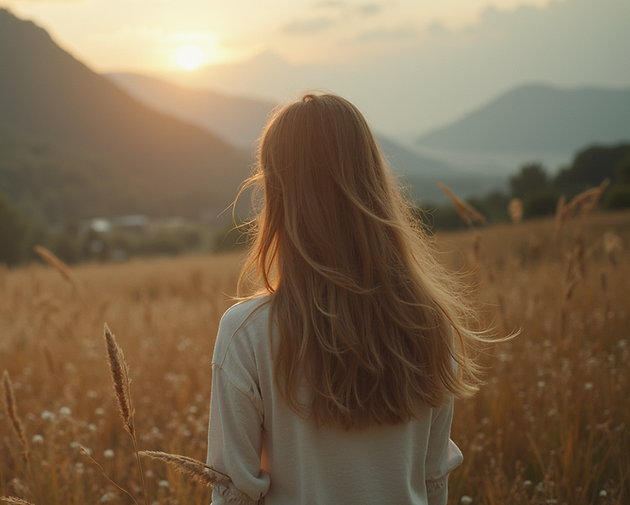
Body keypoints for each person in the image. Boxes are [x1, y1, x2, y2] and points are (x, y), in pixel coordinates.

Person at [207, 93, 491, 504]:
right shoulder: (430, 322)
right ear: (373, 180)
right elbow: (432, 483)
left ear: (276, 193)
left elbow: (233, 493)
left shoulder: (245, 334)